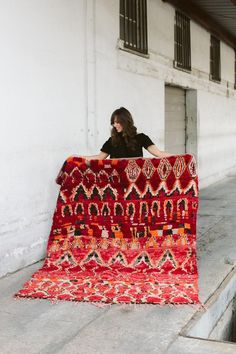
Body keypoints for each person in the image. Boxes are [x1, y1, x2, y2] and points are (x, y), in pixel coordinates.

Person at [82, 107, 172, 161]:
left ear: (125, 121)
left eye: (117, 122)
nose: (114, 125)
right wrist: (79, 158)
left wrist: (180, 157)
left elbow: (158, 153)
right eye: (113, 122)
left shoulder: (141, 138)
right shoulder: (112, 140)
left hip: (135, 184)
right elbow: (99, 157)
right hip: (116, 184)